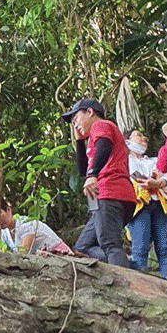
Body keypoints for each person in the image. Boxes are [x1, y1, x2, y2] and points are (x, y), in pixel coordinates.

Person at [64, 98, 136, 269]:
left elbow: (104, 147)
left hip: (110, 192)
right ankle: (125, 263)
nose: (75, 125)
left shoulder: (101, 125)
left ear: (90, 112)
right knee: (83, 248)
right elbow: (83, 170)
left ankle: (123, 287)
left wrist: (93, 175)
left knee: (110, 244)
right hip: (107, 197)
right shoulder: (93, 138)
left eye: (76, 120)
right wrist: (80, 141)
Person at [125, 129, 167, 277]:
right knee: (140, 247)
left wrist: (158, 182)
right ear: (127, 142)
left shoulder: (155, 161)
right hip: (139, 205)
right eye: (139, 135)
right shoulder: (123, 160)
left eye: (145, 135)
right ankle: (141, 284)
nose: (145, 138)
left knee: (166, 247)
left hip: (160, 205)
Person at [0, 202, 72, 254]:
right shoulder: (4, 233)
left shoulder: (26, 224)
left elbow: (23, 254)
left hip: (60, 255)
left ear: (9, 210)